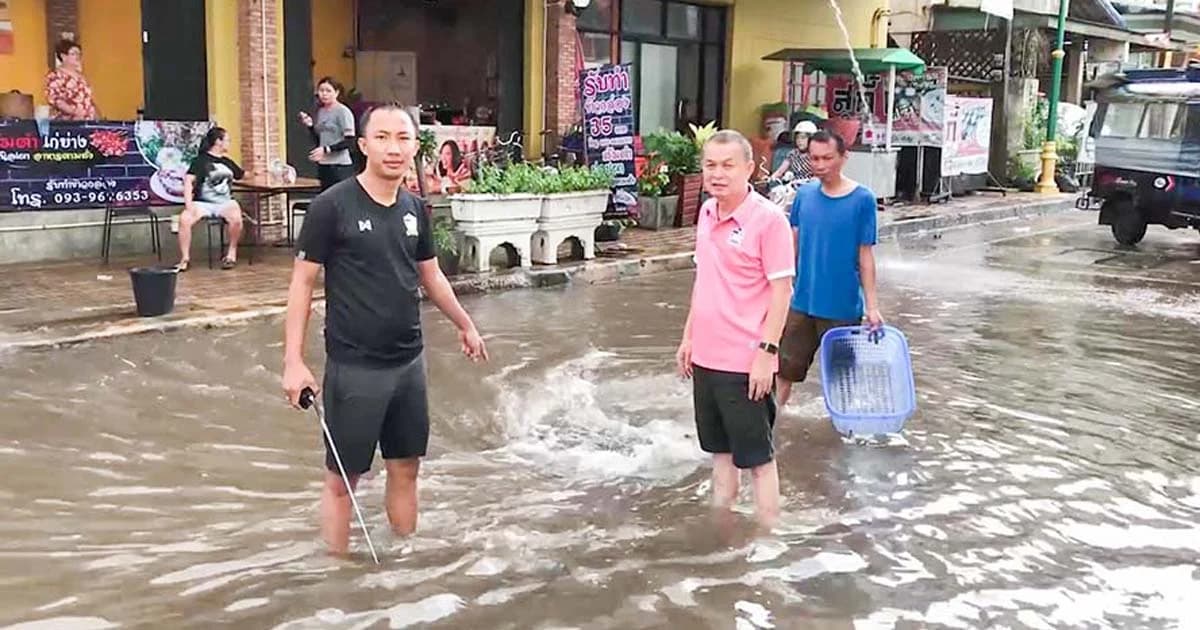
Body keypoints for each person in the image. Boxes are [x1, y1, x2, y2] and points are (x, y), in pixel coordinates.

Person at [282, 103, 489, 556]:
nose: (393, 148)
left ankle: (404, 568)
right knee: (343, 480)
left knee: (406, 468)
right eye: (382, 137)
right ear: (362, 145)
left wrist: (465, 325)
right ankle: (337, 583)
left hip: (408, 365)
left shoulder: (416, 208)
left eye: (403, 138)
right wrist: (294, 363)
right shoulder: (331, 207)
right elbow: (302, 284)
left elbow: (430, 276)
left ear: (416, 146)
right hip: (355, 368)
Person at [675, 129, 795, 529]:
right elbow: (704, 279)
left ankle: (768, 540)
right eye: (710, 165)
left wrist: (767, 353)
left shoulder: (769, 221)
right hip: (707, 356)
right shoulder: (707, 213)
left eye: (728, 165)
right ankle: (721, 534)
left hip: (745, 361)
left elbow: (782, 291)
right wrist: (689, 336)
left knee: (758, 458)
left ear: (750, 168)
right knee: (720, 454)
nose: (718, 173)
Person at [776, 130, 883, 409]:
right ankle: (770, 428)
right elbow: (792, 246)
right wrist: (777, 291)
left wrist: (872, 307)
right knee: (784, 369)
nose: (820, 165)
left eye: (827, 158)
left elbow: (865, 256)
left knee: (841, 378)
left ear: (844, 158)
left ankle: (843, 432)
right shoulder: (805, 195)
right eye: (814, 158)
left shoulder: (863, 200)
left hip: (842, 308)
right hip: (802, 303)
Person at [177, 127, 245, 271]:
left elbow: (243, 175)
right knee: (184, 219)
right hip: (202, 203)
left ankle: (231, 254)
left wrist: (263, 172)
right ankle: (185, 259)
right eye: (227, 140)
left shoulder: (227, 162)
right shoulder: (200, 161)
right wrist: (188, 204)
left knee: (236, 218)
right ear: (218, 141)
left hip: (224, 202)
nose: (229, 143)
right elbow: (188, 182)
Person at [298, 77, 357, 191]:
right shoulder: (321, 112)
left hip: (340, 165)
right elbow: (319, 140)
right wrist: (310, 126)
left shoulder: (343, 112)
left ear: (336, 93)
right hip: (324, 165)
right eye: (321, 90)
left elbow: (350, 142)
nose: (324, 94)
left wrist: (327, 149)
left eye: (328, 91)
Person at [45, 38, 98, 121]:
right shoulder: (56, 76)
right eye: (73, 54)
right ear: (63, 56)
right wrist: (74, 112)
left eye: (79, 54)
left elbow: (88, 99)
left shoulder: (81, 76)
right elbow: (55, 99)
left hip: (87, 121)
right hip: (68, 122)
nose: (77, 57)